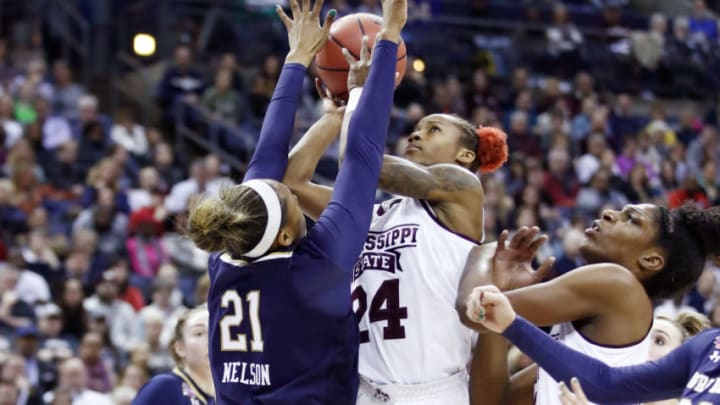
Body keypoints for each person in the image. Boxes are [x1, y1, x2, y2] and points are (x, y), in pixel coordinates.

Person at [185, 0, 406, 402]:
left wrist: (297, 59)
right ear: (286, 235)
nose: (288, 184)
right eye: (289, 194)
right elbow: (361, 157)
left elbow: (267, 157)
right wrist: (388, 38)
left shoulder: (234, 249)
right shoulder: (311, 271)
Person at [282, 15, 510, 405]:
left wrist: (360, 95)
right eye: (417, 128)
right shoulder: (373, 215)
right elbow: (293, 182)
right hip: (362, 390)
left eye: (434, 129)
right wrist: (334, 115)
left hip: (431, 393)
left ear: (465, 155)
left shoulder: (462, 191)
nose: (417, 134)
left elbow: (364, 165)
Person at [457, 203, 719, 404]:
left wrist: (481, 254)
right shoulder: (583, 349)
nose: (608, 214)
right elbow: (494, 400)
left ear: (651, 260)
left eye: (631, 219)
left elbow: (471, 311)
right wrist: (499, 297)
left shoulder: (616, 283)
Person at [133, 306, 214, 405]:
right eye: (199, 333)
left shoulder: (228, 395)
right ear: (180, 348)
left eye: (215, 332)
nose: (211, 339)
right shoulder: (165, 386)